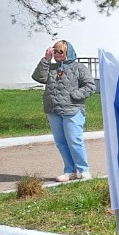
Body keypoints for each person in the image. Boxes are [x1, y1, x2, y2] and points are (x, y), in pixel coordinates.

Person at [32, 40, 97, 182]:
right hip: (53, 109)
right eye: (55, 51)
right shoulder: (51, 67)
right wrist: (46, 60)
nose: (57, 54)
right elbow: (38, 77)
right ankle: (70, 171)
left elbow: (90, 86)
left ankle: (84, 170)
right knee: (61, 142)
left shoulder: (78, 67)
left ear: (68, 52)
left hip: (72, 109)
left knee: (74, 140)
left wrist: (74, 96)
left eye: (60, 51)